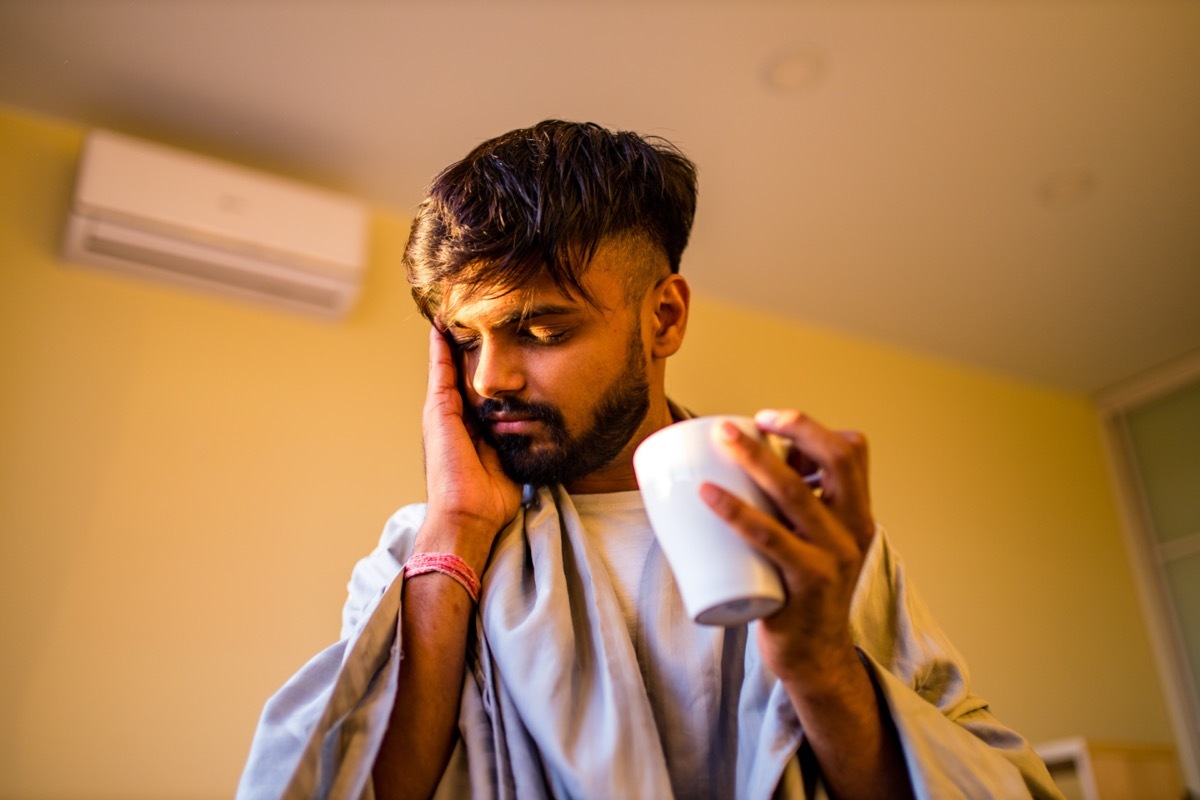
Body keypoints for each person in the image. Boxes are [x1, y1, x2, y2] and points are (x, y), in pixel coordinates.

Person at [238, 120, 1062, 800]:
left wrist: (819, 664)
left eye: (542, 329)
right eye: (464, 340)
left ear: (663, 317)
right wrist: (453, 530)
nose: (490, 377)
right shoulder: (420, 559)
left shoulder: (812, 536)